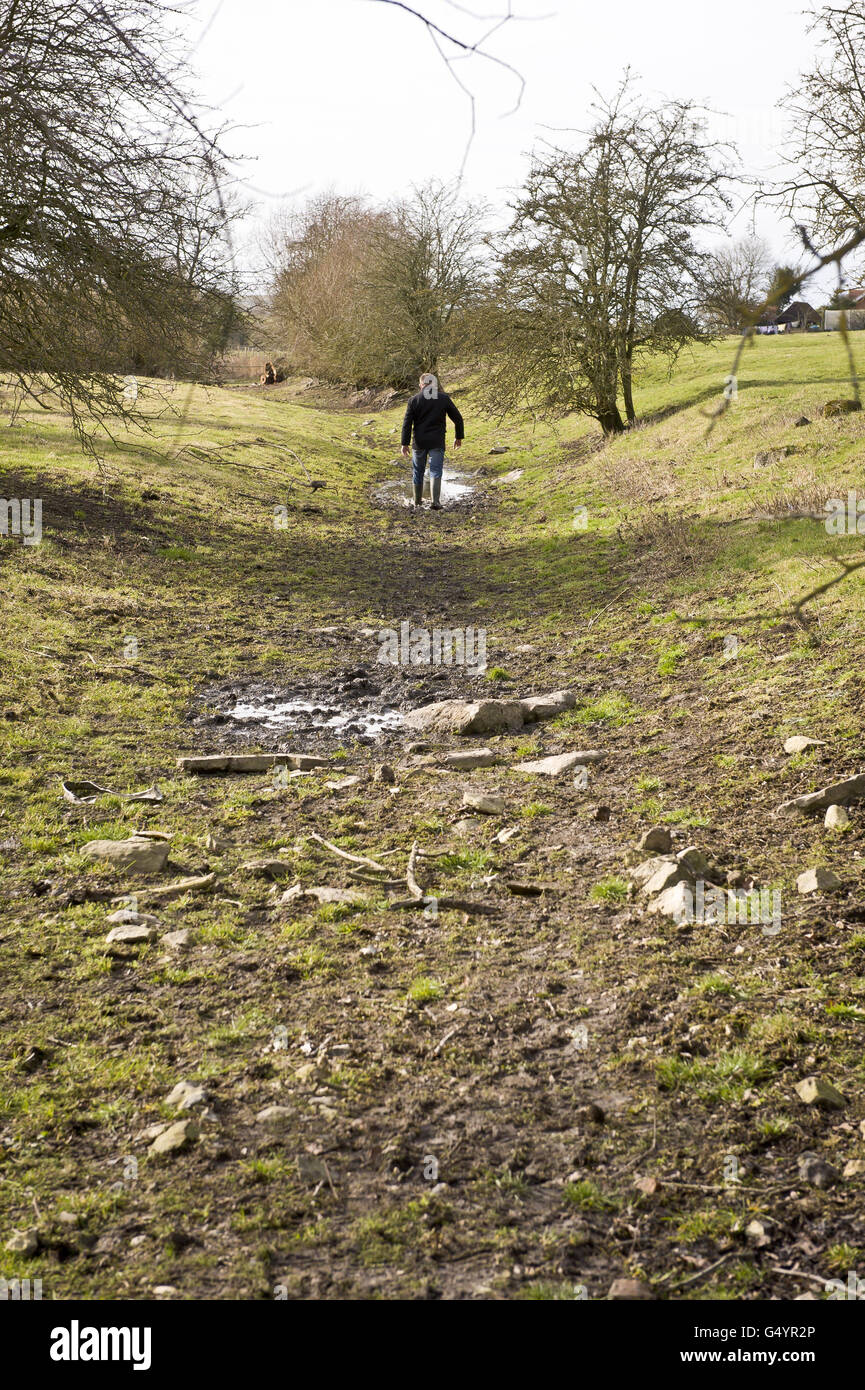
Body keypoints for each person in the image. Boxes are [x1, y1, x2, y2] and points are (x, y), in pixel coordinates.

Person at [400, 373, 464, 511]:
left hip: (419, 442)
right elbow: (458, 418)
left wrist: (404, 444)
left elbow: (407, 424)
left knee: (418, 471)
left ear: (421, 385)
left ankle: (417, 503)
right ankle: (436, 502)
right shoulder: (443, 398)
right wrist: (458, 437)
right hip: (437, 441)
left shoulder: (413, 400)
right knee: (435, 470)